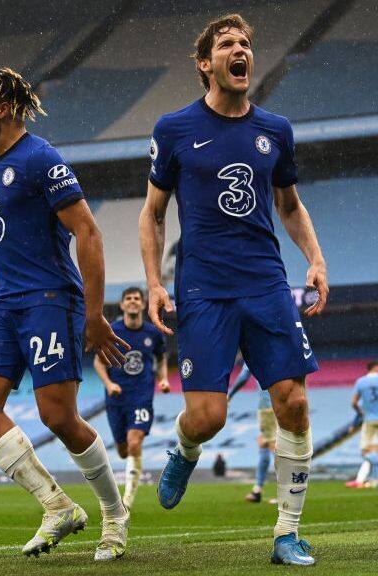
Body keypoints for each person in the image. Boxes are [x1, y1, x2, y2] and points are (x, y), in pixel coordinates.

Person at [139, 14, 328, 566]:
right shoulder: (173, 129)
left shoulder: (275, 130)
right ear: (206, 64)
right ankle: (185, 447)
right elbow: (152, 215)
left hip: (266, 284)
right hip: (202, 292)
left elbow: (289, 205)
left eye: (245, 43)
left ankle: (287, 532)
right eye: (227, 44)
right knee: (209, 416)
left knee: (293, 401)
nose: (240, 50)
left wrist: (315, 259)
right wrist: (153, 282)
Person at [0, 68, 130, 562]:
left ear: (2, 108)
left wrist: (95, 314)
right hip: (3, 302)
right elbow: (2, 247)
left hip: (50, 298)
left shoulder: (41, 158)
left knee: (57, 415)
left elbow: (88, 233)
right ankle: (56, 506)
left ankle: (115, 515)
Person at [93, 287, 168, 509]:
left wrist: (163, 379)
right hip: (116, 398)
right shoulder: (112, 331)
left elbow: (161, 359)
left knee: (135, 441)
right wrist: (109, 384)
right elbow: (99, 362)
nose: (133, 301)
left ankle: (128, 500)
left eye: (137, 298)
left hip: (141, 396)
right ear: (123, 305)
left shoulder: (152, 333)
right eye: (129, 299)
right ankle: (126, 488)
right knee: (123, 450)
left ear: (143, 305)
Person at [227, 362, 278, 504]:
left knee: (275, 447)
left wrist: (229, 396)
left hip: (268, 407)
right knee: (263, 443)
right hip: (279, 403)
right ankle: (257, 490)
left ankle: (286, 492)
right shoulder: (275, 347)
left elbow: (244, 376)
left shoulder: (254, 348)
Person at [346, 361, 378, 488]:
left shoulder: (361, 382)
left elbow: (354, 402)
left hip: (369, 421)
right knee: (375, 451)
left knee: (366, 452)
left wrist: (360, 413)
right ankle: (364, 480)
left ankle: (373, 480)